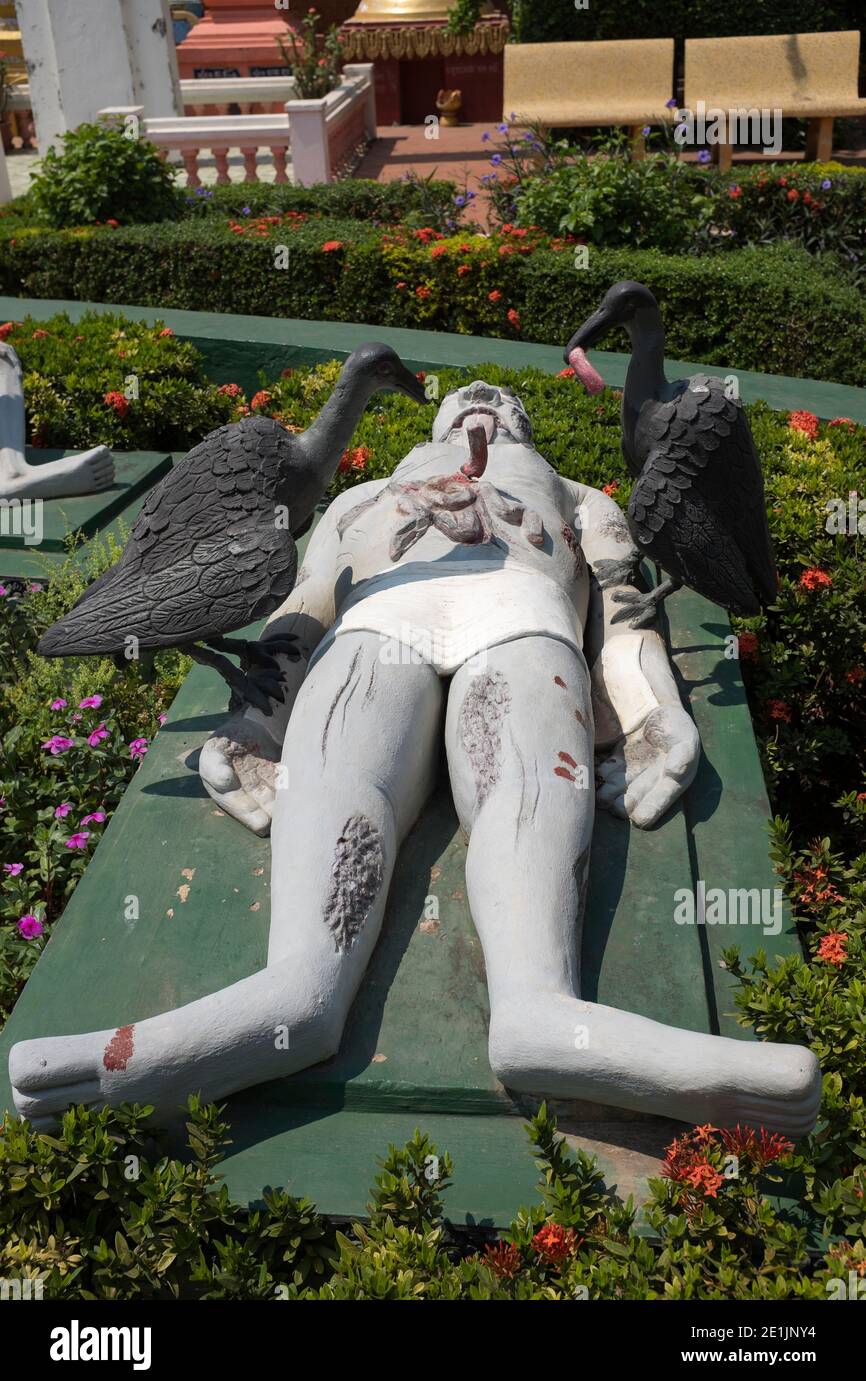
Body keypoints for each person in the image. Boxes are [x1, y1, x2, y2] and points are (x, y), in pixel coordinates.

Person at [10, 381, 821, 1135]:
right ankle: (294, 999)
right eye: (467, 399)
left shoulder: (579, 495)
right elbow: (305, 601)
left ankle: (542, 1013)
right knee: (342, 772)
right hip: (378, 629)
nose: (484, 403)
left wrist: (654, 709)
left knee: (524, 785)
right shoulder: (362, 499)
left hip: (524, 623)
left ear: (525, 429)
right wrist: (256, 722)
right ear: (430, 429)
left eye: (503, 399)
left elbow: (623, 606)